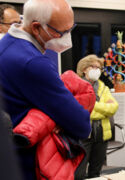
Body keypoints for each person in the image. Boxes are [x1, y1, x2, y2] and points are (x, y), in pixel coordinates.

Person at [0, 0, 91, 179]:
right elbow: (82, 125)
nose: (67, 38)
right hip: (30, 166)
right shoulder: (32, 63)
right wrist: (57, 119)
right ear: (36, 27)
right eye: (61, 32)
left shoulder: (6, 46)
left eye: (71, 29)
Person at [76, 54, 119, 179]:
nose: (97, 70)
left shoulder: (103, 87)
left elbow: (113, 108)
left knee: (96, 174)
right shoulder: (77, 86)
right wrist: (102, 108)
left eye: (99, 67)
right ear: (84, 69)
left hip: (101, 135)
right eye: (93, 66)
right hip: (83, 135)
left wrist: (92, 106)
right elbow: (79, 110)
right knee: (79, 173)